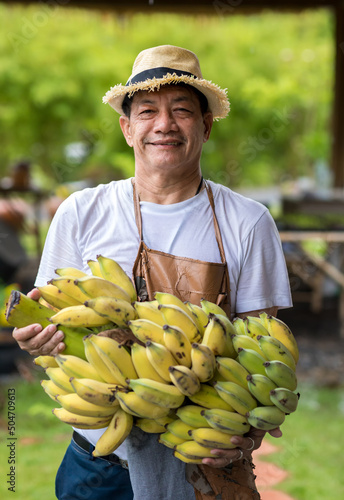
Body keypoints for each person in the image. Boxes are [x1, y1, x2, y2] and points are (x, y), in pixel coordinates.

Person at [12, 45, 292, 500]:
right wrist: (37, 338)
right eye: (147, 112)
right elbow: (52, 316)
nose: (164, 125)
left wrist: (248, 430)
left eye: (182, 110)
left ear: (206, 126)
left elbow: (261, 350)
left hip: (204, 459)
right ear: (127, 129)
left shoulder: (248, 221)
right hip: (102, 461)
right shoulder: (83, 212)